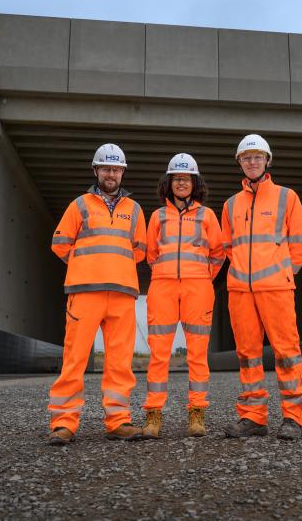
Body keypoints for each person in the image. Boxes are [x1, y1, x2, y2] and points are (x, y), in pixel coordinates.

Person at [47, 143, 146, 445]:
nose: (111, 174)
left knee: (120, 362)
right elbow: (60, 243)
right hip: (84, 292)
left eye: (116, 169)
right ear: (96, 171)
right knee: (74, 359)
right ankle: (64, 423)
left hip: (121, 293)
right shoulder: (79, 205)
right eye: (106, 168)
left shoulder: (135, 209)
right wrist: (86, 265)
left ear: (123, 172)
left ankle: (118, 421)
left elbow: (139, 250)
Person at [221, 134, 302, 440]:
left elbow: (301, 244)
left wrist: (284, 272)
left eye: (258, 157)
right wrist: (244, 274)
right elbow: (227, 247)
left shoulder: (287, 198)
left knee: (287, 354)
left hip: (276, 289)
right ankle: (253, 416)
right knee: (248, 356)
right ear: (239, 163)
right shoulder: (231, 204)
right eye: (246, 158)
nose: (252, 162)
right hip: (241, 292)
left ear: (267, 161)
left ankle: (296, 417)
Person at [142, 153, 225, 438]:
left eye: (186, 179)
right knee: (158, 356)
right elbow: (151, 255)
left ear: (194, 183)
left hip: (198, 289)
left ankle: (197, 414)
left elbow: (218, 253)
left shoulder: (207, 216)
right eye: (176, 179)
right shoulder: (157, 216)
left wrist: (201, 276)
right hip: (163, 287)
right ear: (169, 183)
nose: (181, 183)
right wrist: (169, 273)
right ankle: (153, 416)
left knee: (198, 355)